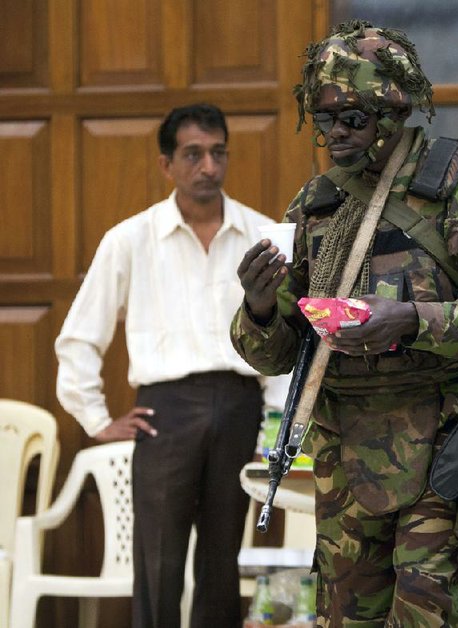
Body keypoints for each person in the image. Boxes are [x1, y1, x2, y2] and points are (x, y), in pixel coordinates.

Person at [230, 20, 458, 627]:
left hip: (442, 449)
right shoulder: (318, 204)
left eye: (353, 119)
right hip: (343, 454)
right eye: (323, 119)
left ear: (394, 113)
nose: (335, 134)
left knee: (428, 617)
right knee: (344, 618)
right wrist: (260, 307)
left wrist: (414, 319)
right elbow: (274, 354)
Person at [55, 103, 289, 628]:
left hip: (240, 407)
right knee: (158, 560)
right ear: (167, 165)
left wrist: (275, 426)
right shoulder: (130, 240)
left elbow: (285, 341)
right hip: (167, 411)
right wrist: (96, 418)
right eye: (193, 154)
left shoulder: (264, 237)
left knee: (222, 561)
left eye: (217, 152)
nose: (208, 166)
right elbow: (78, 337)